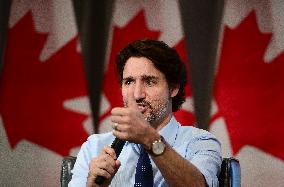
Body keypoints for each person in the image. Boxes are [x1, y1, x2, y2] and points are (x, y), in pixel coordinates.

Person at [69, 39, 222, 187]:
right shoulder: (95, 147)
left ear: (173, 88)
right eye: (129, 82)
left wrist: (150, 139)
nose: (137, 94)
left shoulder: (199, 142)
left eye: (149, 81)